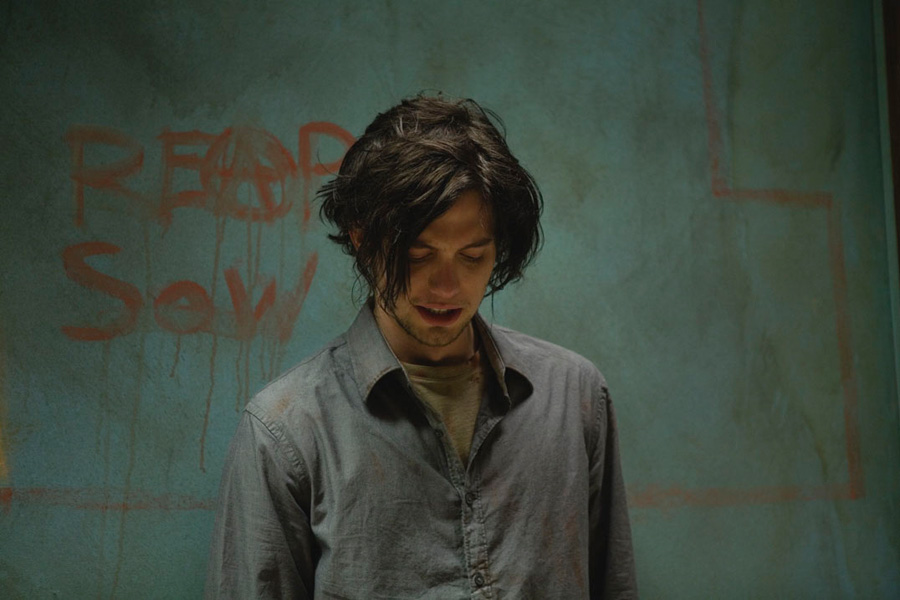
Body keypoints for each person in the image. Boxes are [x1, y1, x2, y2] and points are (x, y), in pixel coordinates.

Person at [205, 95, 637, 599]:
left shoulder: (574, 396)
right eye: (417, 255)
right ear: (363, 241)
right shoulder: (287, 432)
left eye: (472, 256)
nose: (447, 286)